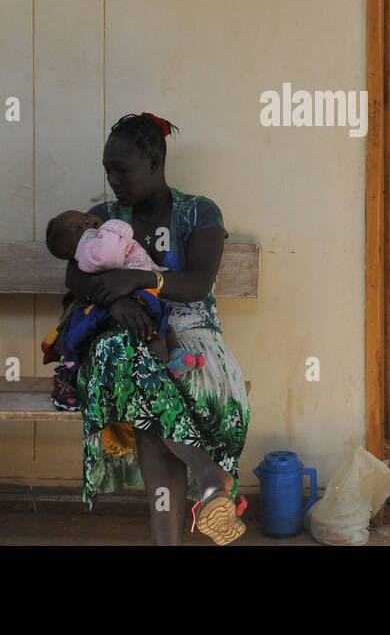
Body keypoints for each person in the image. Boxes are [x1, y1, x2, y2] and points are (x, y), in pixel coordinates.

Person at [66, 112, 250, 545]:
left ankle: (167, 536)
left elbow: (198, 283)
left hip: (193, 339)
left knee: (143, 394)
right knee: (125, 356)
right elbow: (76, 278)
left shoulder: (198, 212)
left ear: (154, 161)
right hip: (121, 338)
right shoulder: (100, 218)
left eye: (122, 168)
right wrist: (119, 301)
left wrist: (141, 280)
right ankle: (208, 476)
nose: (114, 179)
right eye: (108, 169)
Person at [43, 213, 203, 409]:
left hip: (142, 294)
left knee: (162, 326)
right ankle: (164, 377)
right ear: (73, 249)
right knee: (151, 329)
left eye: (85, 217)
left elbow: (199, 284)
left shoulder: (95, 238)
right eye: (79, 228)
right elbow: (104, 258)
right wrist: (112, 227)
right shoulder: (94, 246)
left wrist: (143, 280)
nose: (87, 222)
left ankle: (175, 357)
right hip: (124, 303)